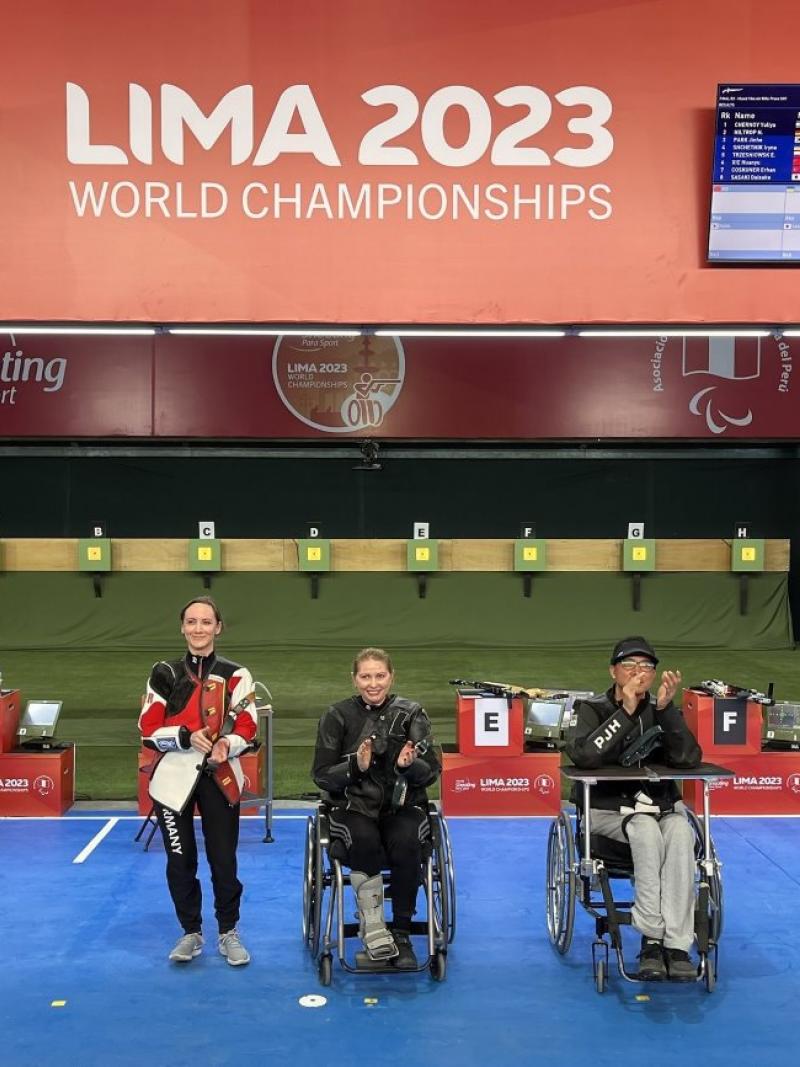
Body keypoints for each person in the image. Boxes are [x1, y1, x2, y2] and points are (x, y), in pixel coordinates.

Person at [565, 636, 702, 982]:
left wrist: (668, 709)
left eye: (646, 667)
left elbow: (687, 758)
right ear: (613, 671)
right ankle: (651, 938)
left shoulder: (662, 708)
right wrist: (626, 711)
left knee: (681, 831)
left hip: (661, 809)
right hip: (609, 813)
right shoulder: (591, 709)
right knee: (643, 829)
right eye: (630, 666)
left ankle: (677, 944)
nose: (639, 673)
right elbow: (585, 756)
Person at [138, 596, 257, 966]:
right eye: (192, 622)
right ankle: (190, 931)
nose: (199, 628)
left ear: (218, 627)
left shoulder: (237, 674)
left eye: (206, 622)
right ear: (182, 627)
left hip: (220, 778)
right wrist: (187, 737)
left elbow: (248, 727)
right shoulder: (165, 673)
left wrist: (227, 744)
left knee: (224, 860)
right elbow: (147, 729)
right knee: (180, 859)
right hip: (173, 780)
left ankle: (228, 931)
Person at [311, 647, 441, 969]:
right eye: (365, 676)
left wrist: (408, 766)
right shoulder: (337, 715)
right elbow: (322, 776)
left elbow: (431, 772)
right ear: (354, 679)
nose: (373, 683)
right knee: (364, 838)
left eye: (379, 675)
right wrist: (355, 766)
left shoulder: (412, 713)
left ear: (391, 677)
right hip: (351, 808)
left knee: (407, 838)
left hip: (403, 807)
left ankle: (400, 933)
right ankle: (373, 928)